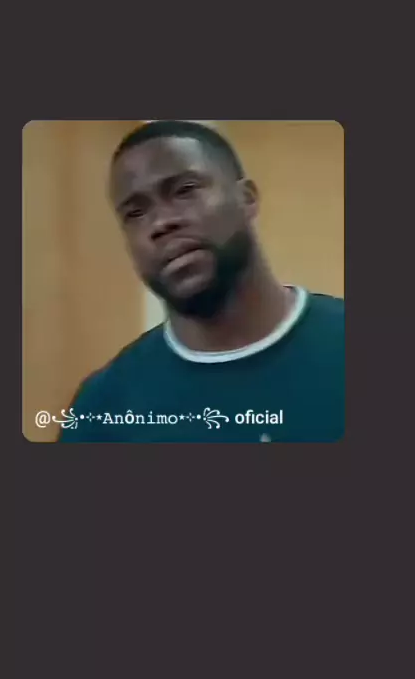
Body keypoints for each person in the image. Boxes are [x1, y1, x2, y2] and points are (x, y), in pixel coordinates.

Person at [60, 120, 344, 443]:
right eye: (135, 213)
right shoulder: (103, 411)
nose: (161, 223)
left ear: (246, 198)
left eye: (185, 191)